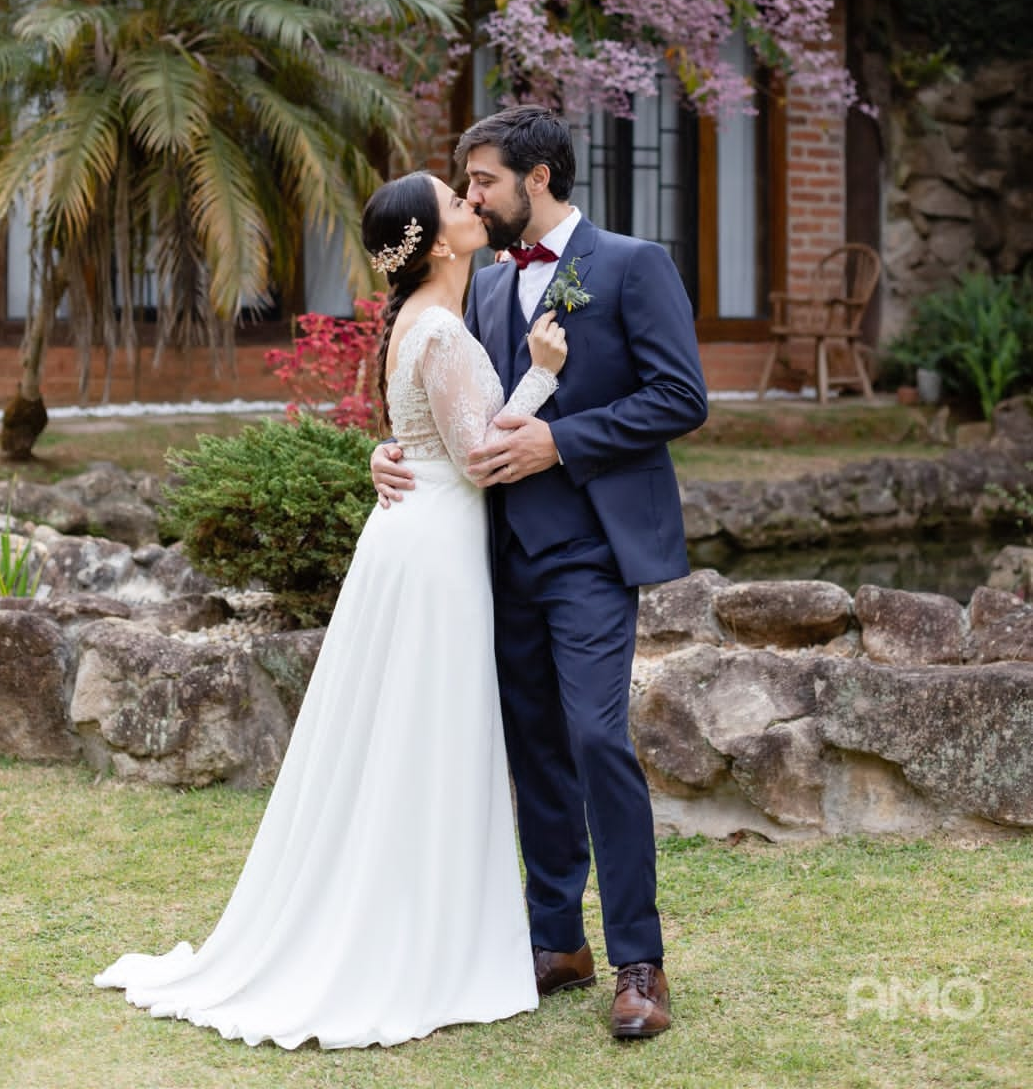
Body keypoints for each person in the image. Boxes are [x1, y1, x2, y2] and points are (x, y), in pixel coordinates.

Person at [94, 169, 569, 1051]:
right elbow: (478, 458)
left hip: (409, 536)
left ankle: (419, 916)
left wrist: (391, 453)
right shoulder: (442, 331)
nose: (473, 205)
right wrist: (540, 378)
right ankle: (418, 939)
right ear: (432, 241)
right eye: (456, 202)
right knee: (428, 733)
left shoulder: (419, 322)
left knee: (402, 731)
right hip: (434, 547)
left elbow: (418, 437)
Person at [372, 106, 708, 1040]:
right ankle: (555, 941)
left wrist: (563, 441)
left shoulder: (634, 266)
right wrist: (388, 453)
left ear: (541, 177)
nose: (472, 197)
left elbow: (682, 396)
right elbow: (453, 408)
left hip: (592, 551)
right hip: (493, 557)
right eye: (467, 185)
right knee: (532, 749)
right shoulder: (480, 289)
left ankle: (641, 963)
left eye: (483, 181)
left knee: (598, 739)